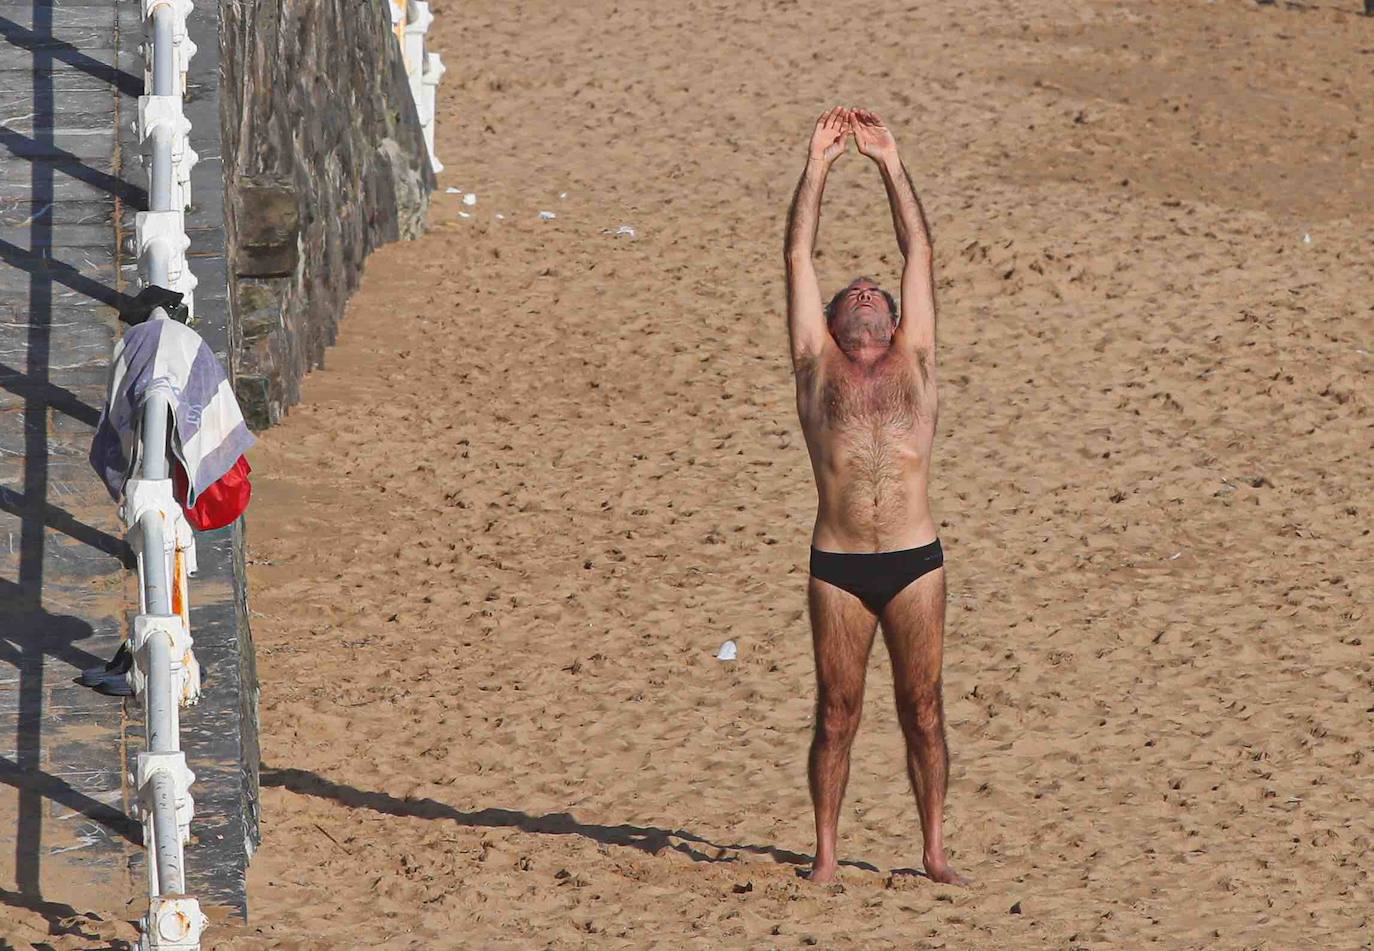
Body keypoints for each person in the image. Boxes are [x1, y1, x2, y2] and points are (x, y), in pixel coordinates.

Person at [784, 107, 967, 886]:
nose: (865, 292)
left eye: (874, 292)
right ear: (831, 321)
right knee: (836, 713)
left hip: (916, 562)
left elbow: (918, 249)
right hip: (839, 566)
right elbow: (798, 252)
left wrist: (891, 163)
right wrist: (818, 166)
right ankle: (826, 854)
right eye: (851, 293)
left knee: (923, 709)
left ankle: (934, 849)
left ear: (893, 317)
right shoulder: (815, 366)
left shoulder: (914, 359)